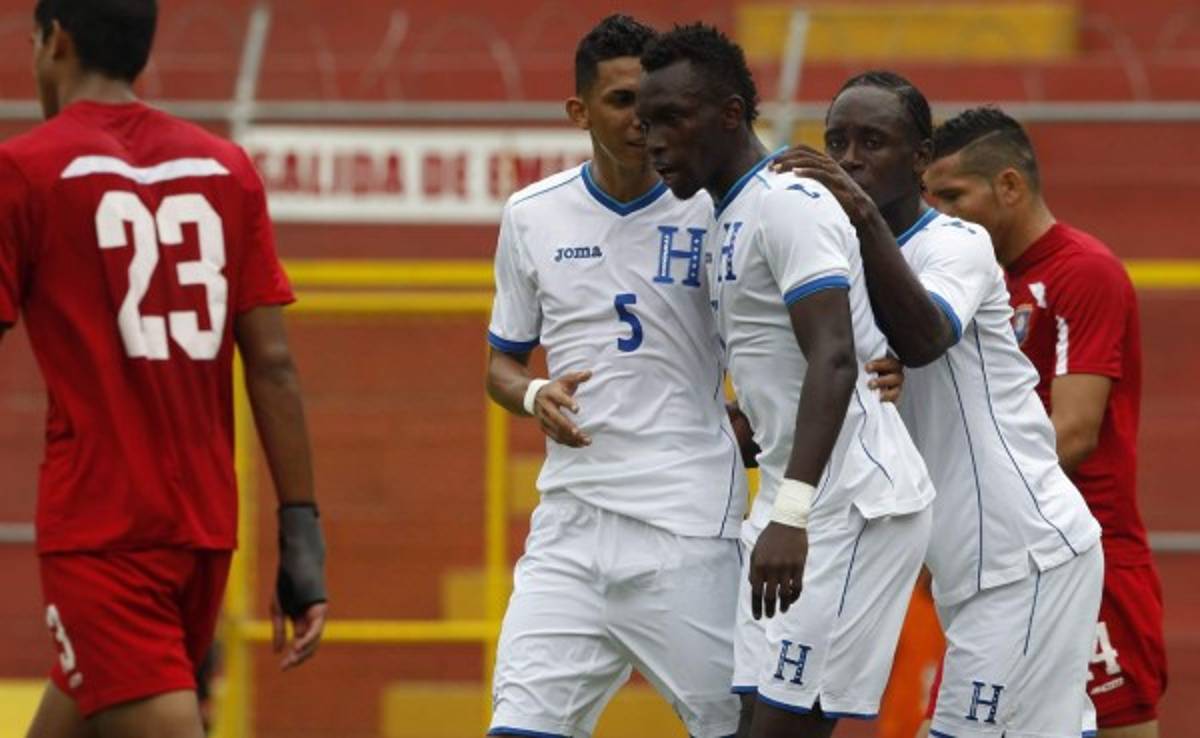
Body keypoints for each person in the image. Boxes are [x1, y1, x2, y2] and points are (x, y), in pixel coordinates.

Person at [0, 2, 328, 736]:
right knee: (90, 705)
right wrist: (302, 536)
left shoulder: (25, 170)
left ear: (55, 42)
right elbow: (273, 364)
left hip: (102, 533)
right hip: (205, 533)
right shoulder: (225, 166)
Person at [777, 71, 1104, 738]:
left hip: (1025, 554)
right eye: (836, 142)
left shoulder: (957, 243)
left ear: (921, 158)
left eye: (873, 141)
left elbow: (924, 337)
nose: (850, 159)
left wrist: (857, 210)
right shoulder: (843, 262)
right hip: (970, 565)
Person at [638, 28, 935, 738]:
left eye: (673, 119)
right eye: (646, 123)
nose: (654, 140)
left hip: (850, 505)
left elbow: (834, 356)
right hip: (789, 496)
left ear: (731, 114)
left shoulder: (788, 202)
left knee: (782, 729)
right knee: (746, 720)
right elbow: (784, 364)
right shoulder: (723, 215)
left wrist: (792, 515)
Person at [483, 14, 747, 738]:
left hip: (685, 526)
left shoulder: (713, 206)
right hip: (569, 528)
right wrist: (536, 394)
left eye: (657, 106)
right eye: (623, 102)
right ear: (580, 112)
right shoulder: (532, 215)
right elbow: (502, 364)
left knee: (740, 728)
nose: (642, 121)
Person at [924, 106, 1166, 738]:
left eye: (953, 195)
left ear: (1009, 185)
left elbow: (1075, 434)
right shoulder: (971, 280)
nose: (939, 214)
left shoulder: (1080, 271)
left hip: (1087, 551)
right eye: (931, 198)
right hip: (1001, 558)